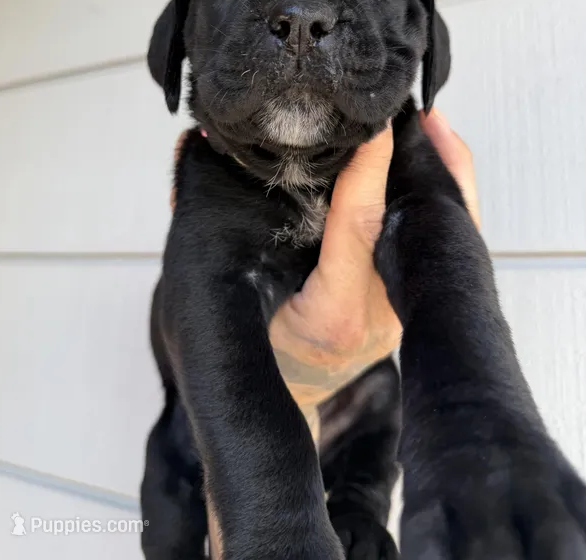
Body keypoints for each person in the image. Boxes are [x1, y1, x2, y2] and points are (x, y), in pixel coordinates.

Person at [171, 109, 480, 557]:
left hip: (363, 401)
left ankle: (360, 504)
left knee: (379, 397)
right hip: (249, 403)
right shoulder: (217, 176)